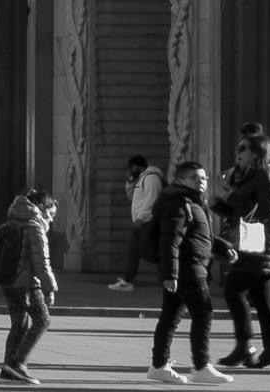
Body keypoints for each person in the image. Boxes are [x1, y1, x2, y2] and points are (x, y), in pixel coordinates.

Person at [148, 157, 224, 385]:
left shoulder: (192, 201)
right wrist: (170, 274)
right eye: (195, 178)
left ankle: (159, 366)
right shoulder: (178, 203)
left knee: (170, 316)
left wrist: (223, 248)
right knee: (203, 313)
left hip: (191, 265)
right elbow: (170, 240)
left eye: (204, 178)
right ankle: (200, 366)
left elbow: (200, 235)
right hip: (188, 267)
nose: (202, 182)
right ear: (181, 180)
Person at [216, 126, 270, 369]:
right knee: (261, 299)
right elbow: (239, 211)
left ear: (256, 152)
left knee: (233, 291)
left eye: (242, 149)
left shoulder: (264, 176)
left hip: (259, 244)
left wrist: (230, 196)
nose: (237, 153)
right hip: (253, 242)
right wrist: (218, 203)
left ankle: (244, 346)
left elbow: (267, 210)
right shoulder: (250, 176)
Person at [0, 188, 56, 386]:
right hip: (27, 283)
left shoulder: (13, 220)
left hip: (9, 281)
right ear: (41, 208)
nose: (51, 220)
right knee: (42, 321)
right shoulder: (34, 226)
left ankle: (8, 369)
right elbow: (41, 263)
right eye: (51, 214)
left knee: (19, 324)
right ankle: (18, 364)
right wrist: (50, 288)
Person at [117, 156, 170, 293]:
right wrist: (130, 180)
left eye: (132, 167)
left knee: (151, 252)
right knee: (139, 251)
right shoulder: (142, 178)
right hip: (144, 222)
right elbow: (131, 195)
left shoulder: (151, 178)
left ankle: (165, 280)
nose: (130, 170)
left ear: (139, 166)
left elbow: (152, 200)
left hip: (148, 222)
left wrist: (140, 219)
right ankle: (128, 281)